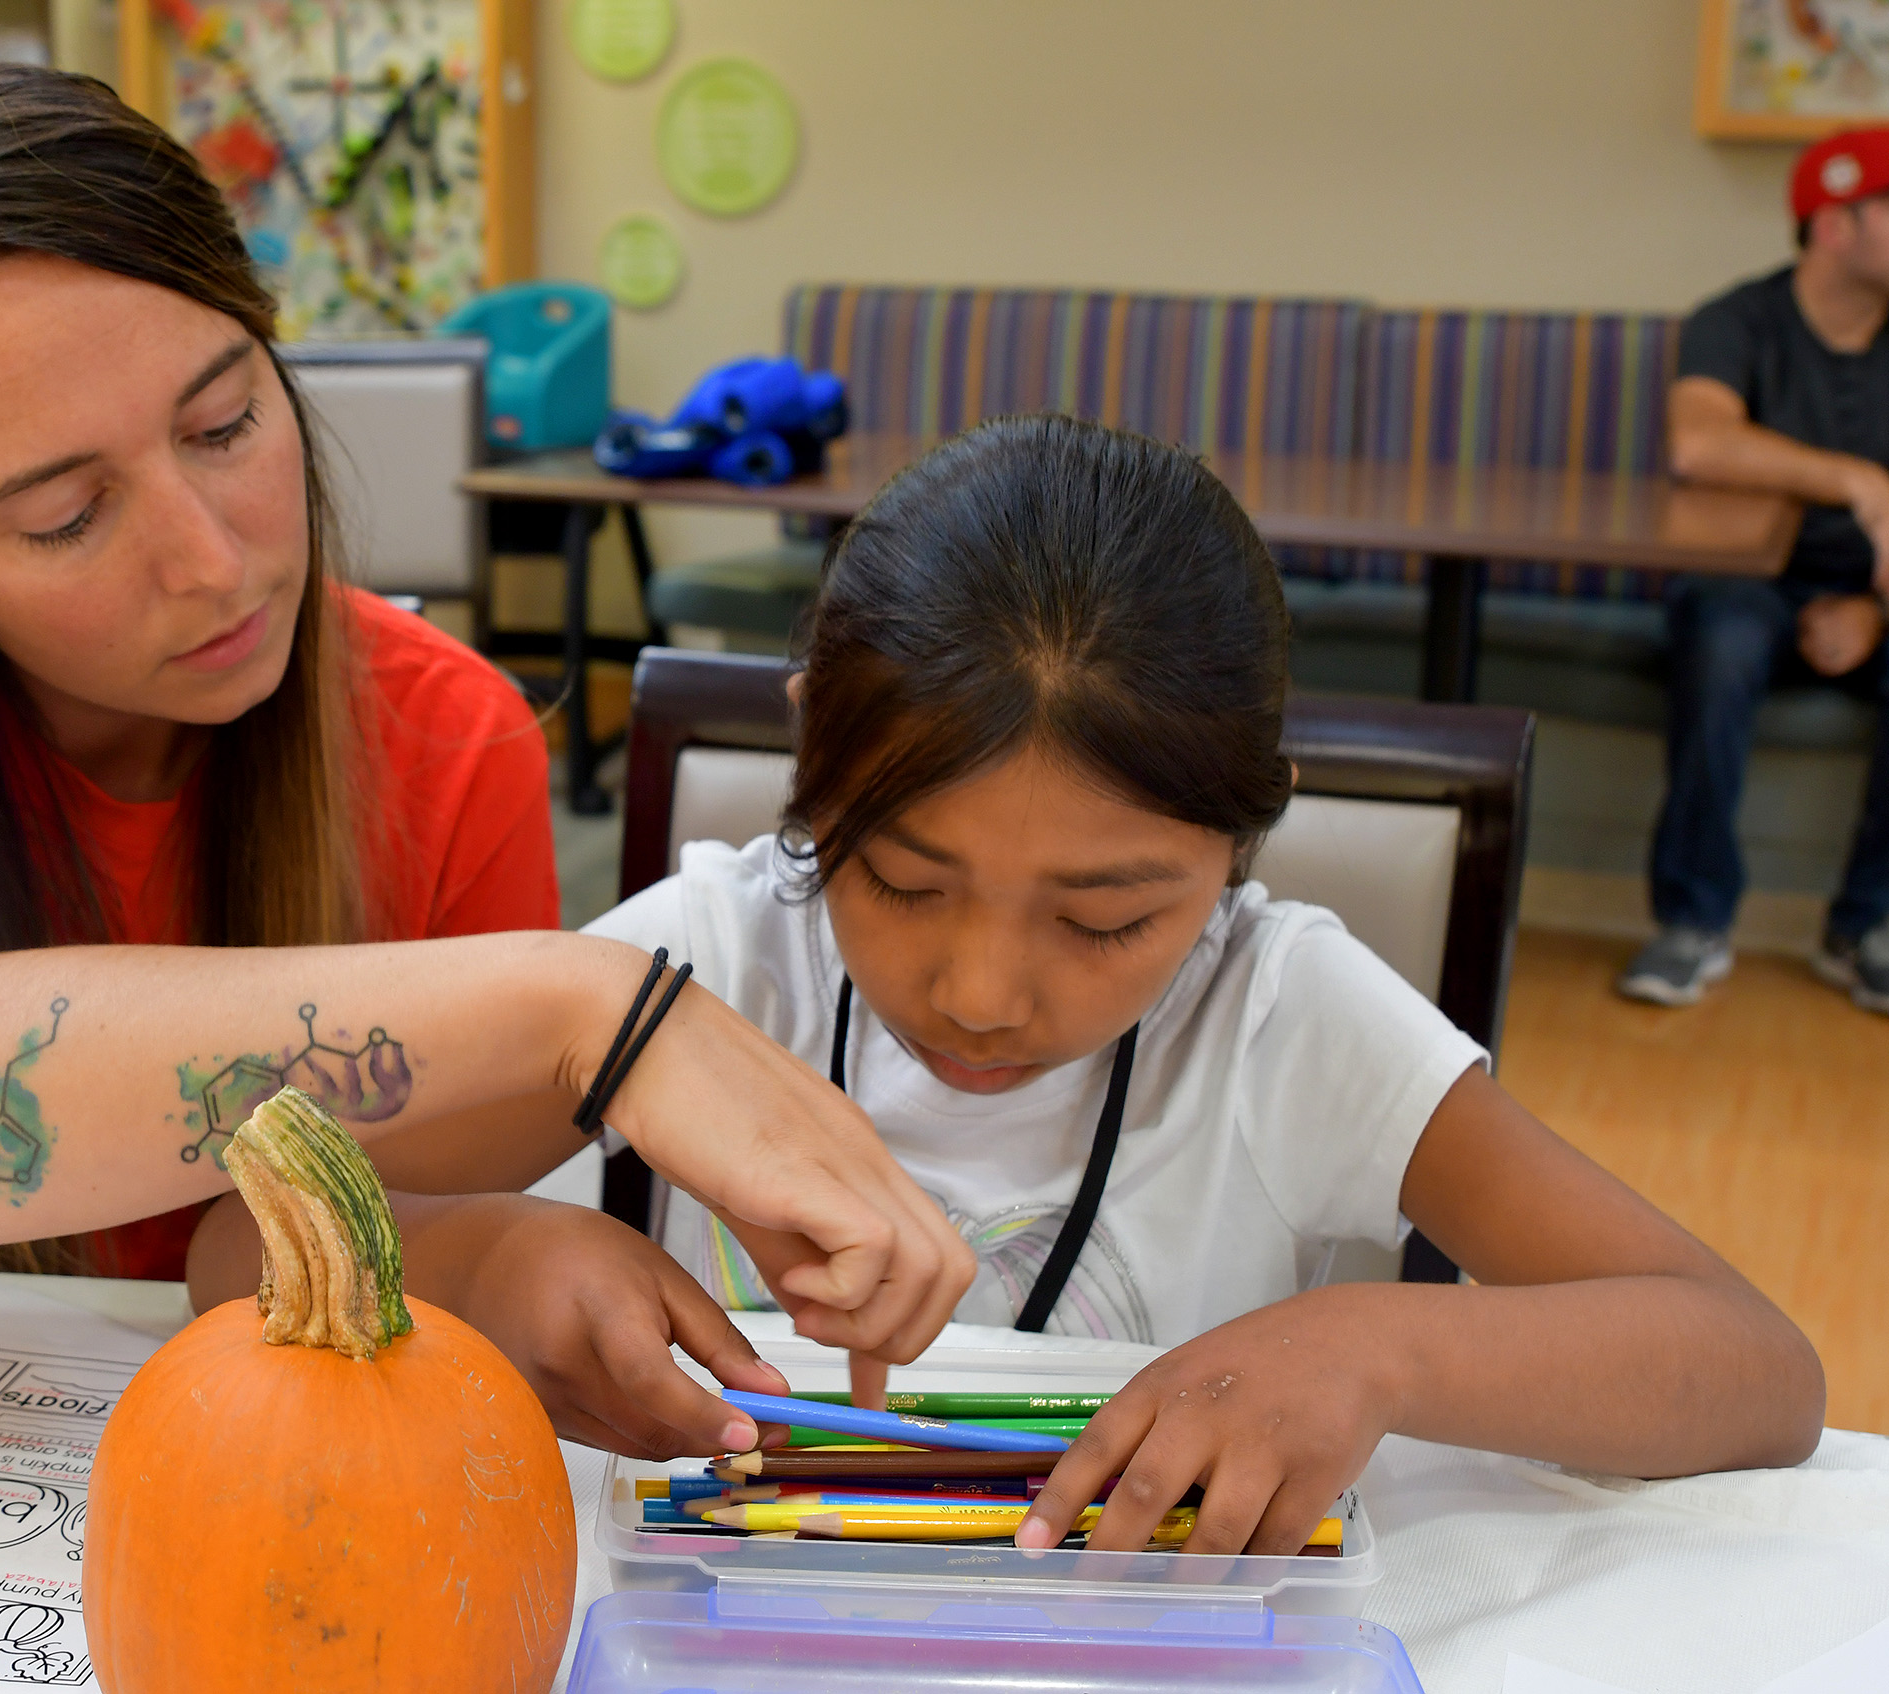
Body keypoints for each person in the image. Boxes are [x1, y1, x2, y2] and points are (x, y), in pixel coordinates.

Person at [0, 61, 972, 1460]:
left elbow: (287, 1239)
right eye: (63, 516)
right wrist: (585, 1001)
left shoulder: (437, 735)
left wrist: (511, 1260)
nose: (214, 561)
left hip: (126, 1462)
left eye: (224, 423)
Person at [275, 415, 1824, 1552]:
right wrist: (486, 1255)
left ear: (1242, 833)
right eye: (899, 877)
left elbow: (1755, 1370)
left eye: (1105, 918)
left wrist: (1380, 1342)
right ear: (812, 761)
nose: (985, 988)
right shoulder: (709, 957)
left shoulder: (1282, 1012)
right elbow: (238, 1242)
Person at [1621, 127, 1889, 1011]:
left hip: (1870, 599)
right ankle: (1692, 921)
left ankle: (1866, 927)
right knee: (1724, 636)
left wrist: (1873, 615)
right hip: (1747, 586)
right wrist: (1855, 479)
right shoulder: (1736, 319)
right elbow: (1700, 443)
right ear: (1836, 226)